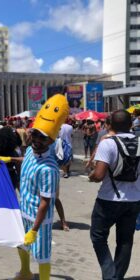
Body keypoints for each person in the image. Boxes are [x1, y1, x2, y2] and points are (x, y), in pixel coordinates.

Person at [14, 94, 69, 280]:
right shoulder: (30, 150)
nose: (37, 139)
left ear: (51, 141)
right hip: (24, 211)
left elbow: (46, 203)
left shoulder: (49, 170)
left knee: (42, 254)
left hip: (40, 220)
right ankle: (25, 272)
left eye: (42, 137)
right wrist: (10, 159)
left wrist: (35, 230)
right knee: (21, 245)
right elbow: (27, 159)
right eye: (35, 133)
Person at [88, 110, 140, 280]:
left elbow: (99, 174)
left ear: (109, 126)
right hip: (133, 200)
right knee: (125, 241)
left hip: (108, 200)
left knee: (98, 237)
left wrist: (91, 176)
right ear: (131, 125)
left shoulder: (108, 143)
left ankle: (110, 276)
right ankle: (116, 276)